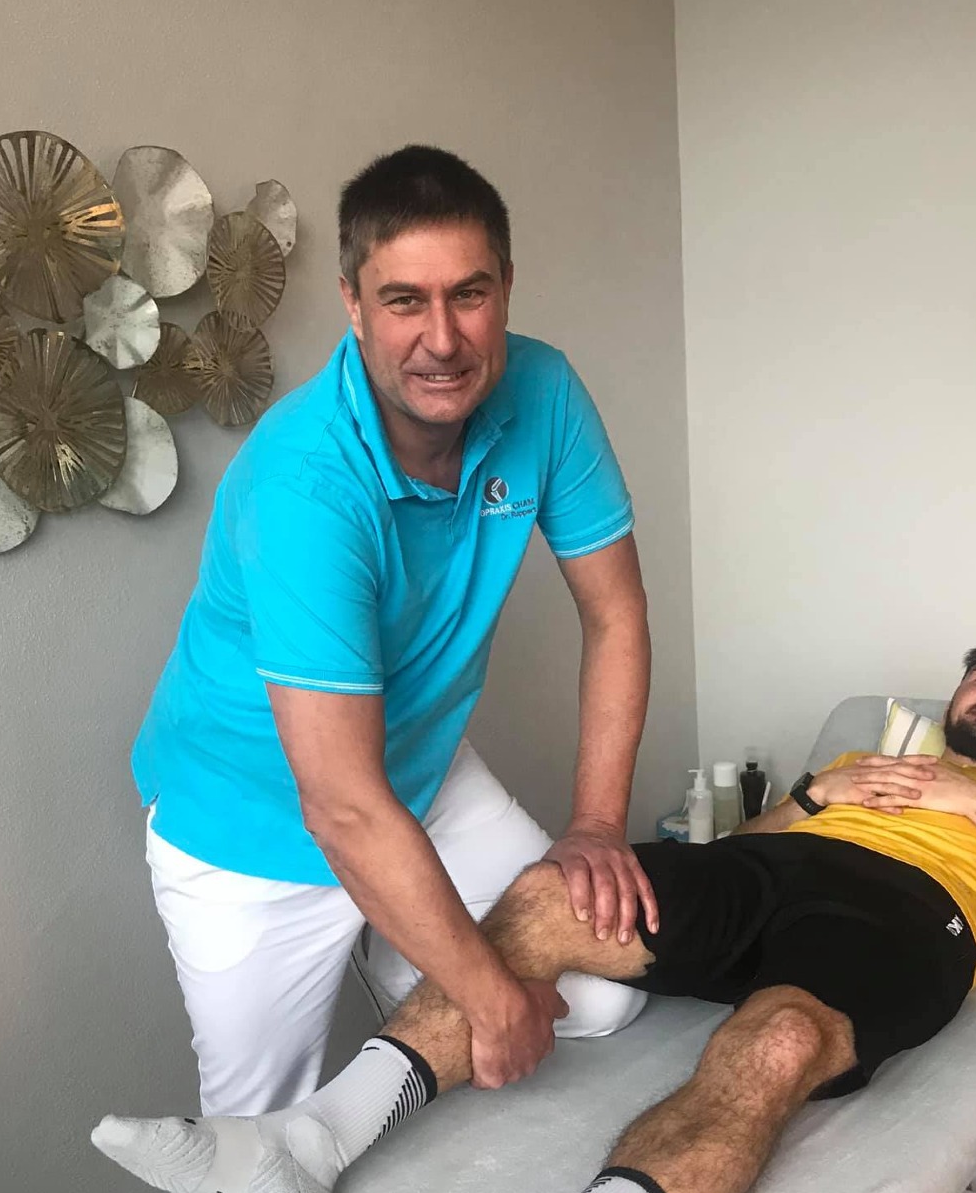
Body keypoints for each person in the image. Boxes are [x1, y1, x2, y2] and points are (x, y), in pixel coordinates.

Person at [96, 626, 976, 1193]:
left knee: (778, 1042)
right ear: (953, 697)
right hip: (774, 876)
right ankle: (314, 1138)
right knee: (556, 891)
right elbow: (738, 855)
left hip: (904, 917)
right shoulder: (863, 761)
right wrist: (817, 796)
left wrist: (974, 805)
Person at [130, 145, 658, 1118]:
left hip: (419, 770)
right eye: (404, 301)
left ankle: (400, 946)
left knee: (601, 997)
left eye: (469, 295)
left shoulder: (544, 392)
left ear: (506, 288)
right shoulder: (304, 484)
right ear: (354, 304)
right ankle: (409, 944)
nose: (442, 339)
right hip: (252, 820)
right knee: (260, 1143)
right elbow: (338, 805)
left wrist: (594, 824)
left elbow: (614, 610)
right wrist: (488, 997)